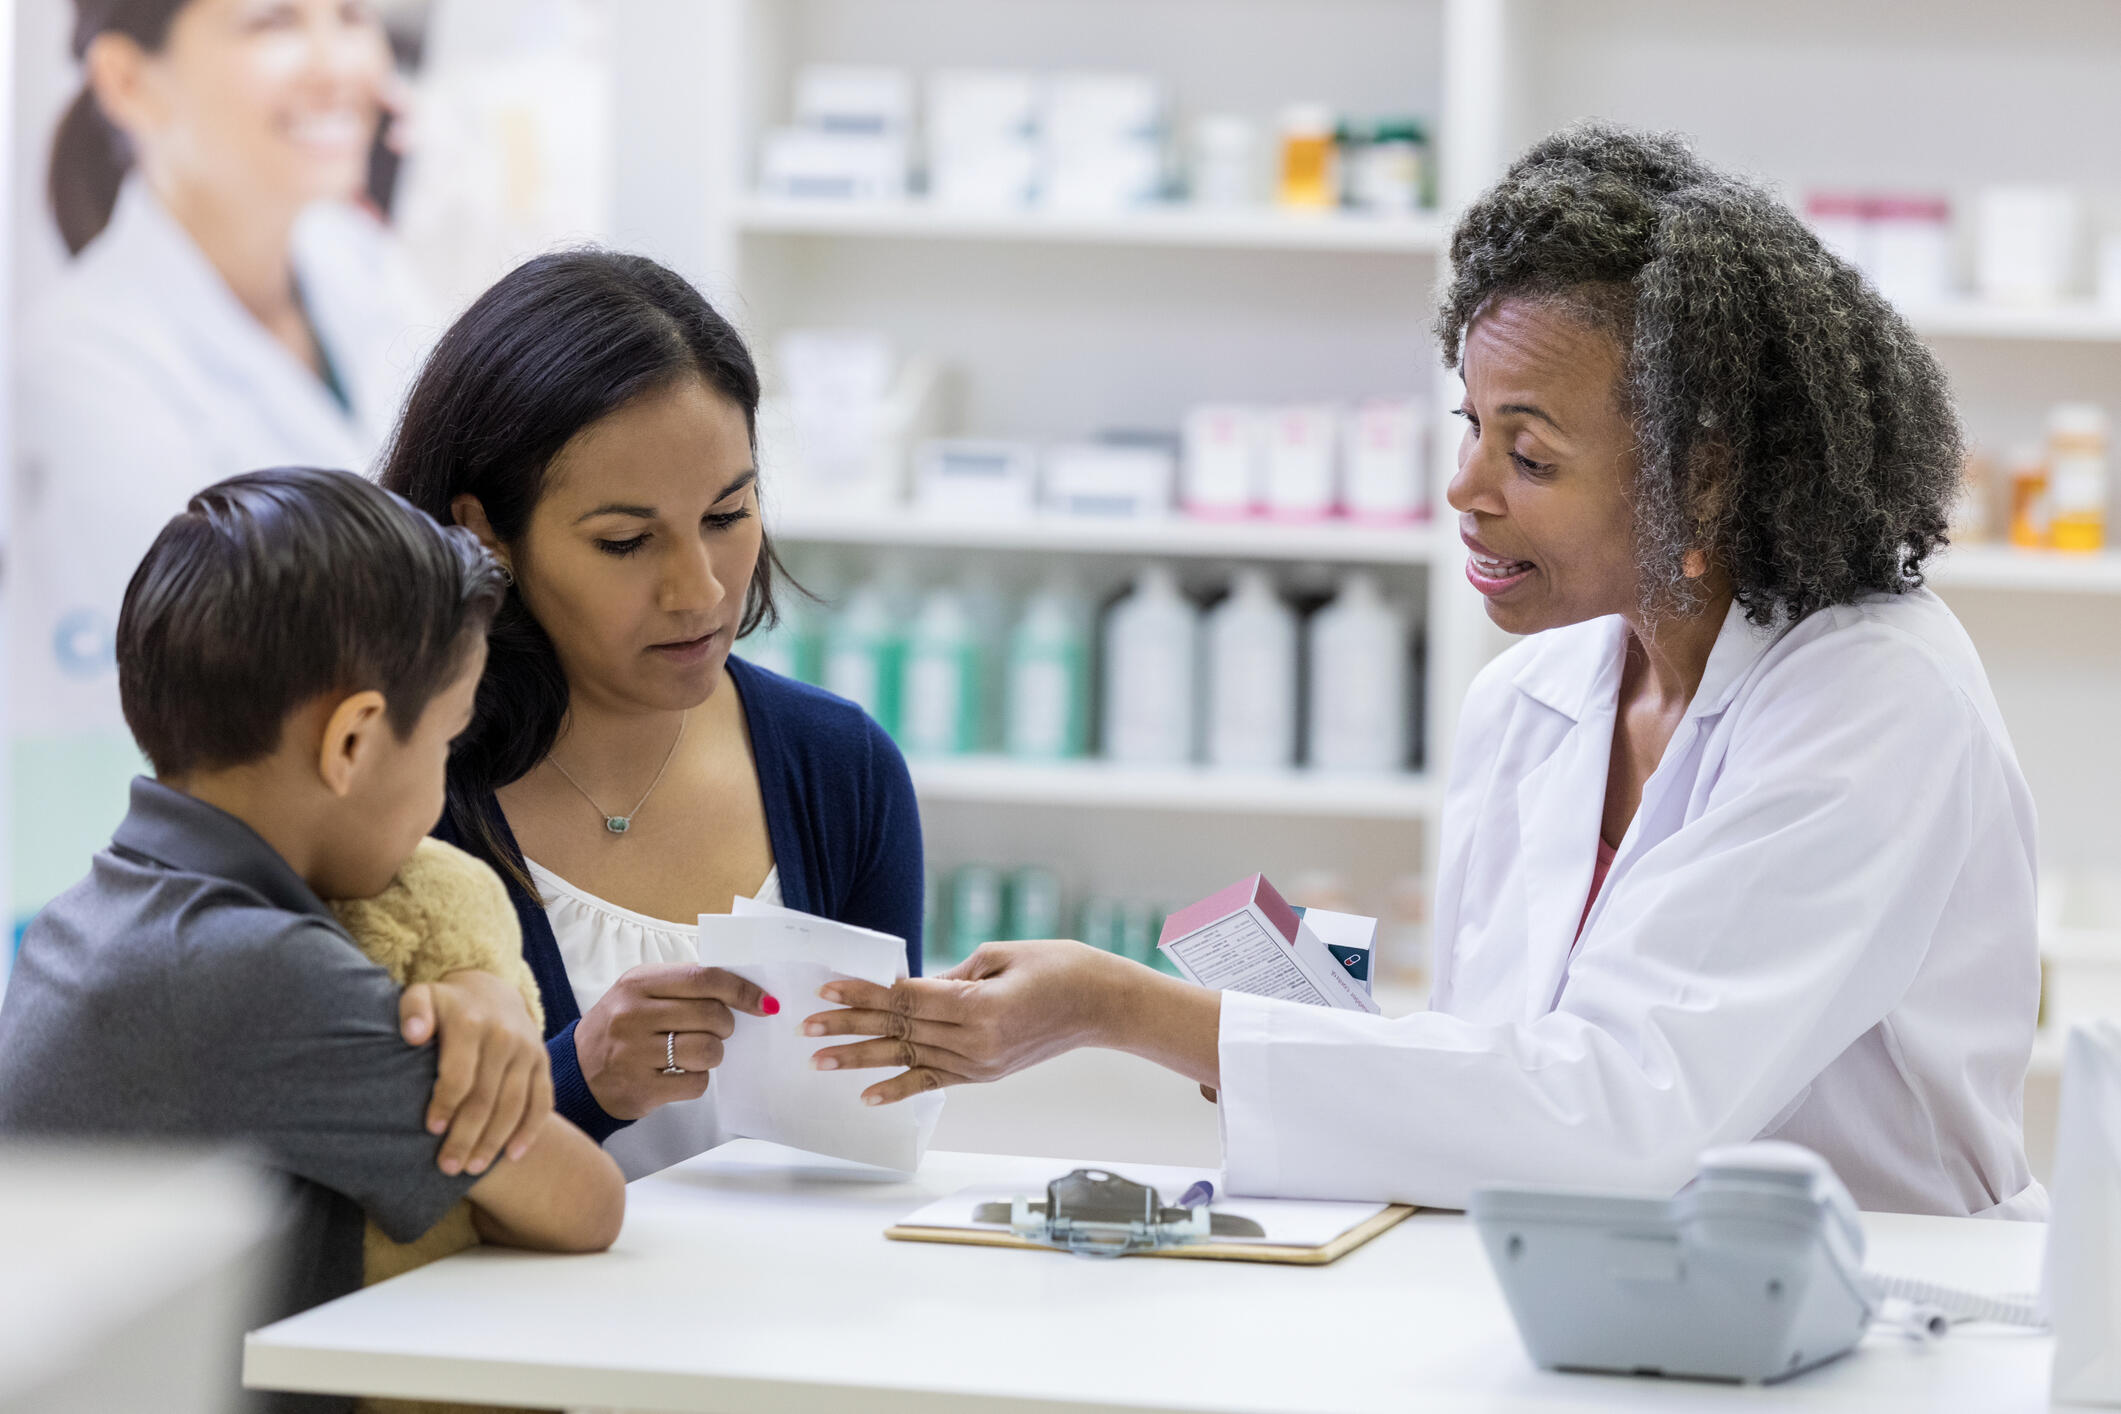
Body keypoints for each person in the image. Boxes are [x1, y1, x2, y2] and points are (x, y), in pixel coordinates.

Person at [803, 122, 2044, 1220]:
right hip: (1586, 1297)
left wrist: (1125, 1009)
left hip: (1879, 1329)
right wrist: (1288, 1041)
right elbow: (1502, 1074)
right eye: (1470, 429)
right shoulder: (1529, 701)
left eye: (1533, 455)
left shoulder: (1876, 699)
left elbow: (1618, 1113)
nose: (1466, 490)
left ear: (1704, 472)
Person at [0, 467, 625, 1412]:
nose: (437, 799)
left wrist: (481, 986)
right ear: (351, 744)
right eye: (446, 745)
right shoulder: (244, 970)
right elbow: (585, 1205)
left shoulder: (94, 916)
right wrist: (489, 978)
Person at [381, 250, 924, 1179]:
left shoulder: (841, 767)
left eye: (728, 514)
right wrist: (582, 1080)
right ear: (484, 533)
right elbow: (357, 1178)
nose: (700, 589)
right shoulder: (395, 793)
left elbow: (866, 1150)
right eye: (626, 542)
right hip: (478, 1325)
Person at [12, 0, 432, 927]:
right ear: (128, 80)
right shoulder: (81, 368)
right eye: (273, 22)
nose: (338, 62)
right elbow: (215, 715)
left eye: (352, 15)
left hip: (364, 861)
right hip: (192, 916)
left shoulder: (362, 267)